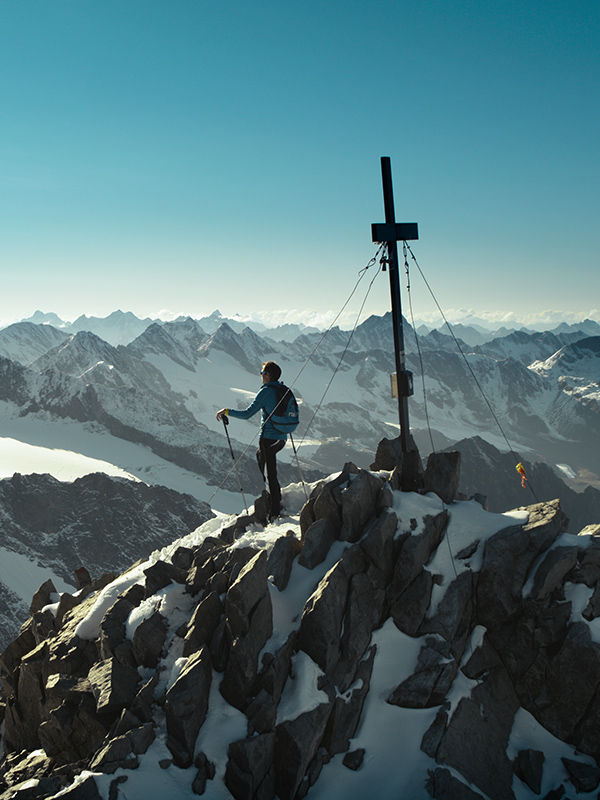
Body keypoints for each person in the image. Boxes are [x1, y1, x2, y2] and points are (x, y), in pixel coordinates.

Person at [216, 361, 287, 520]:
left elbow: (247, 413)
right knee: (261, 458)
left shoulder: (266, 391)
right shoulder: (282, 389)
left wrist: (226, 411)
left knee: (270, 476)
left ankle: (275, 513)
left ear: (268, 375)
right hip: (281, 438)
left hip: (269, 438)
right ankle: (275, 498)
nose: (261, 376)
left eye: (262, 373)